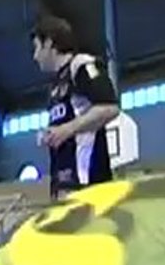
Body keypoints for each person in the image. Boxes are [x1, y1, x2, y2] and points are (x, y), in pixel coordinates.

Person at [32, 15, 121, 200]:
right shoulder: (54, 87)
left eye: (36, 48)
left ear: (48, 43)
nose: (35, 57)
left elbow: (110, 107)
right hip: (63, 186)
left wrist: (67, 129)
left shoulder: (81, 65)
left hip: (88, 183)